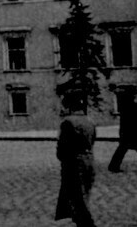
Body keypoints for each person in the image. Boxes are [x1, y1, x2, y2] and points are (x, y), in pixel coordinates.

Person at [55, 94, 97, 227]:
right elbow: (93, 140)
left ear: (69, 106)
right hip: (89, 160)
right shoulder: (89, 121)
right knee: (85, 191)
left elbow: (62, 146)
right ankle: (80, 220)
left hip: (74, 161)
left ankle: (86, 222)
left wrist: (62, 158)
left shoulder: (67, 122)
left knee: (76, 194)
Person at [108, 91, 137, 173]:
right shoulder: (134, 107)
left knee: (121, 150)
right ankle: (113, 166)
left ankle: (113, 166)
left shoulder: (125, 108)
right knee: (126, 149)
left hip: (126, 133)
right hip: (133, 133)